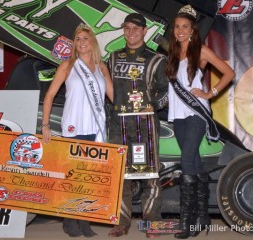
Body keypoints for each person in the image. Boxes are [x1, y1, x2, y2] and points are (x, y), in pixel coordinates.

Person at [165, 5, 235, 239]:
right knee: (193, 162)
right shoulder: (173, 53)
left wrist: (210, 92)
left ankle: (187, 223)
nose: (180, 30)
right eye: (177, 27)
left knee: (186, 162)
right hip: (177, 114)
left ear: (193, 30)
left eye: (185, 27)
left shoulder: (201, 51)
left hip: (195, 113)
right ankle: (202, 216)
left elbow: (228, 72)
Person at [42, 23, 113, 237]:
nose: (82, 42)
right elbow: (49, 96)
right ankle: (69, 220)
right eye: (78, 39)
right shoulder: (67, 66)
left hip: (96, 129)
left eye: (85, 38)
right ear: (75, 44)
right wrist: (45, 125)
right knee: (73, 177)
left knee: (90, 178)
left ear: (92, 42)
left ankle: (84, 221)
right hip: (74, 127)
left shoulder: (101, 67)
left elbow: (114, 97)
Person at [106, 13, 168, 238]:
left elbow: (166, 92)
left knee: (149, 175)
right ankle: (121, 223)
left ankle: (153, 223)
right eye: (127, 28)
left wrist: (151, 105)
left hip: (145, 126)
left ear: (144, 31)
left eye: (136, 28)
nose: (131, 32)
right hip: (118, 125)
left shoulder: (156, 59)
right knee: (120, 175)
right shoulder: (112, 58)